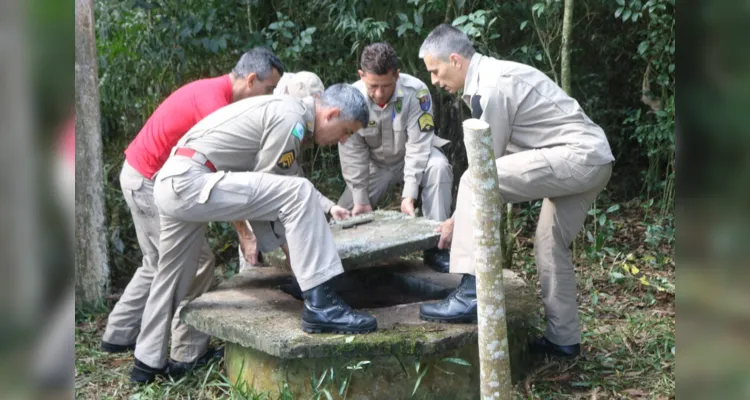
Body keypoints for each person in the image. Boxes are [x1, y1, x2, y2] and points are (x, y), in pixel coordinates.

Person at [130, 84, 376, 383]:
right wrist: (297, 263)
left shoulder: (288, 111)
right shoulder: (292, 121)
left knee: (172, 274)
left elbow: (279, 179)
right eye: (347, 130)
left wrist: (326, 206)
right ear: (331, 113)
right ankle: (322, 304)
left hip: (173, 181)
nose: (344, 139)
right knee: (299, 192)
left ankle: (145, 363)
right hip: (192, 181)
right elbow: (276, 189)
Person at [416, 24, 615, 358]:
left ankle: (471, 291)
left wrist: (453, 221)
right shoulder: (491, 77)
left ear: (455, 59)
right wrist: (456, 218)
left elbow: (486, 170)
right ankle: (563, 340)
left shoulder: (491, 87)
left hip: (576, 156)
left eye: (436, 71)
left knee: (473, 180)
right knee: (550, 243)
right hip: (594, 159)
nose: (435, 81)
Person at [101, 48, 283, 369]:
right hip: (147, 182)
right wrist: (245, 233)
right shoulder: (214, 105)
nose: (268, 97)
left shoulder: (215, 94)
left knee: (155, 262)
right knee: (197, 261)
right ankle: (186, 352)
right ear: (251, 80)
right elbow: (215, 182)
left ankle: (118, 335)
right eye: (268, 89)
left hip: (138, 174)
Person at [338, 42, 454, 272]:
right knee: (342, 214)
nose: (379, 93)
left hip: (412, 156)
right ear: (361, 76)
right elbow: (353, 154)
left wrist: (409, 195)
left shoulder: (416, 92)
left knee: (439, 166)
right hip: (375, 164)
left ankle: (436, 248)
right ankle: (348, 261)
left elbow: (418, 145)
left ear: (397, 75)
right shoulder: (351, 99)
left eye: (386, 86)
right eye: (373, 86)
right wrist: (361, 199)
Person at [238, 71, 329, 271]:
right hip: (248, 198)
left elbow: (293, 177)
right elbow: (261, 185)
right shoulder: (285, 119)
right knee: (253, 267)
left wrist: (328, 207)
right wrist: (245, 233)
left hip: (268, 197)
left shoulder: (303, 121)